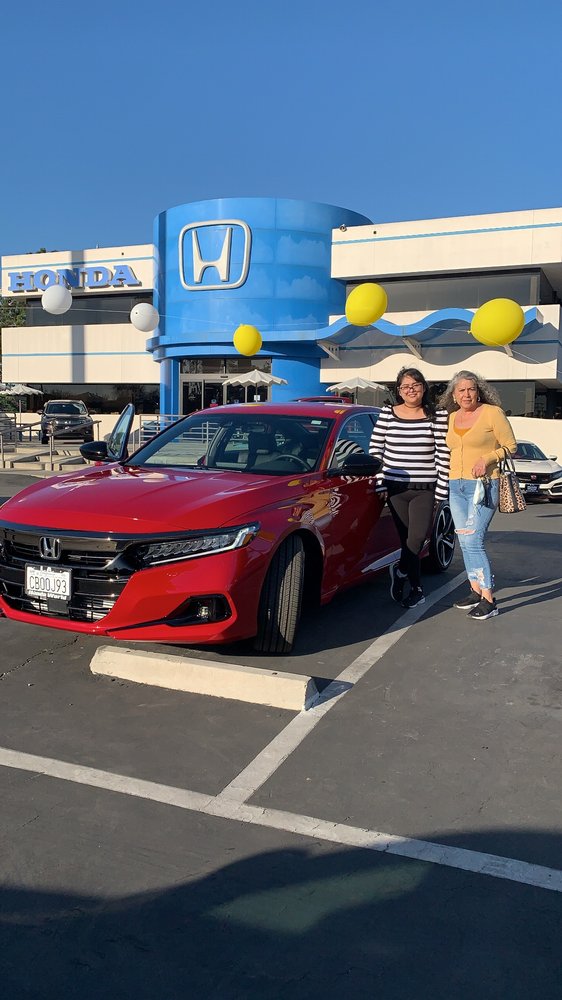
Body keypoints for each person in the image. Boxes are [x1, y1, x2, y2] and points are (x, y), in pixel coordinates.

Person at [439, 370, 516, 620]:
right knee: (464, 541)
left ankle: (489, 600)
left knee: (474, 541)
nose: (466, 394)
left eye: (471, 389)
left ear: (479, 391)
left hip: (483, 485)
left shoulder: (492, 413)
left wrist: (487, 458)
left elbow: (510, 446)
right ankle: (475, 591)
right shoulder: (452, 417)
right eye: (461, 390)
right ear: (454, 395)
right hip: (456, 485)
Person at [369, 367, 449, 609]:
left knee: (417, 538)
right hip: (395, 489)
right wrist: (381, 482)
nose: (411, 390)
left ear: (424, 388)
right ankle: (416, 589)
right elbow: (376, 451)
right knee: (406, 540)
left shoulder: (437, 415)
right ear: (399, 391)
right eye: (405, 386)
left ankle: (401, 570)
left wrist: (442, 491)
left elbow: (443, 454)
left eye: (415, 385)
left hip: (425, 489)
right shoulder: (387, 414)